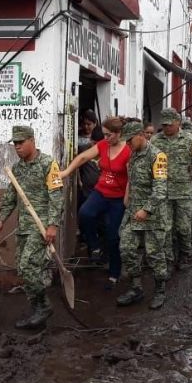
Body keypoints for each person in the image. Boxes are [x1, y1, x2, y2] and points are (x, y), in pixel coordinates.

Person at [0, 126, 63, 329]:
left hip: (40, 226)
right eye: (15, 143)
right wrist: (1, 218)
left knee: (27, 266)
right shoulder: (17, 169)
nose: (17, 147)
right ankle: (37, 308)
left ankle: (44, 306)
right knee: (23, 269)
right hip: (24, 226)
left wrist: (52, 225)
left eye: (21, 143)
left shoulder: (48, 164)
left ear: (32, 140)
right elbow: (10, 196)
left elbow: (56, 196)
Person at [60, 116, 131, 283]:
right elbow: (82, 157)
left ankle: (114, 272)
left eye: (109, 135)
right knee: (84, 213)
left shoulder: (128, 150)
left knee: (113, 236)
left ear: (119, 133)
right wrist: (66, 172)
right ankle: (95, 246)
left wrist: (127, 200)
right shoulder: (103, 145)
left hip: (118, 198)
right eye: (104, 134)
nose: (105, 138)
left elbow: (133, 178)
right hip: (101, 192)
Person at [115, 122, 169, 310]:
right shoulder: (134, 154)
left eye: (130, 140)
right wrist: (127, 195)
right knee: (126, 248)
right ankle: (136, 287)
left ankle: (160, 290)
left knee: (154, 254)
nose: (127, 145)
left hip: (152, 215)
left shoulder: (157, 156)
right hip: (133, 212)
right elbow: (132, 178)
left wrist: (146, 209)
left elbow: (160, 190)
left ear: (140, 135)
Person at [151, 108, 192, 266]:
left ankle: (185, 253)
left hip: (184, 192)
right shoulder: (155, 141)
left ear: (178, 122)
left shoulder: (190, 140)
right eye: (164, 125)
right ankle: (169, 260)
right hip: (162, 192)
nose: (166, 128)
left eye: (170, 125)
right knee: (166, 229)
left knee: (184, 228)